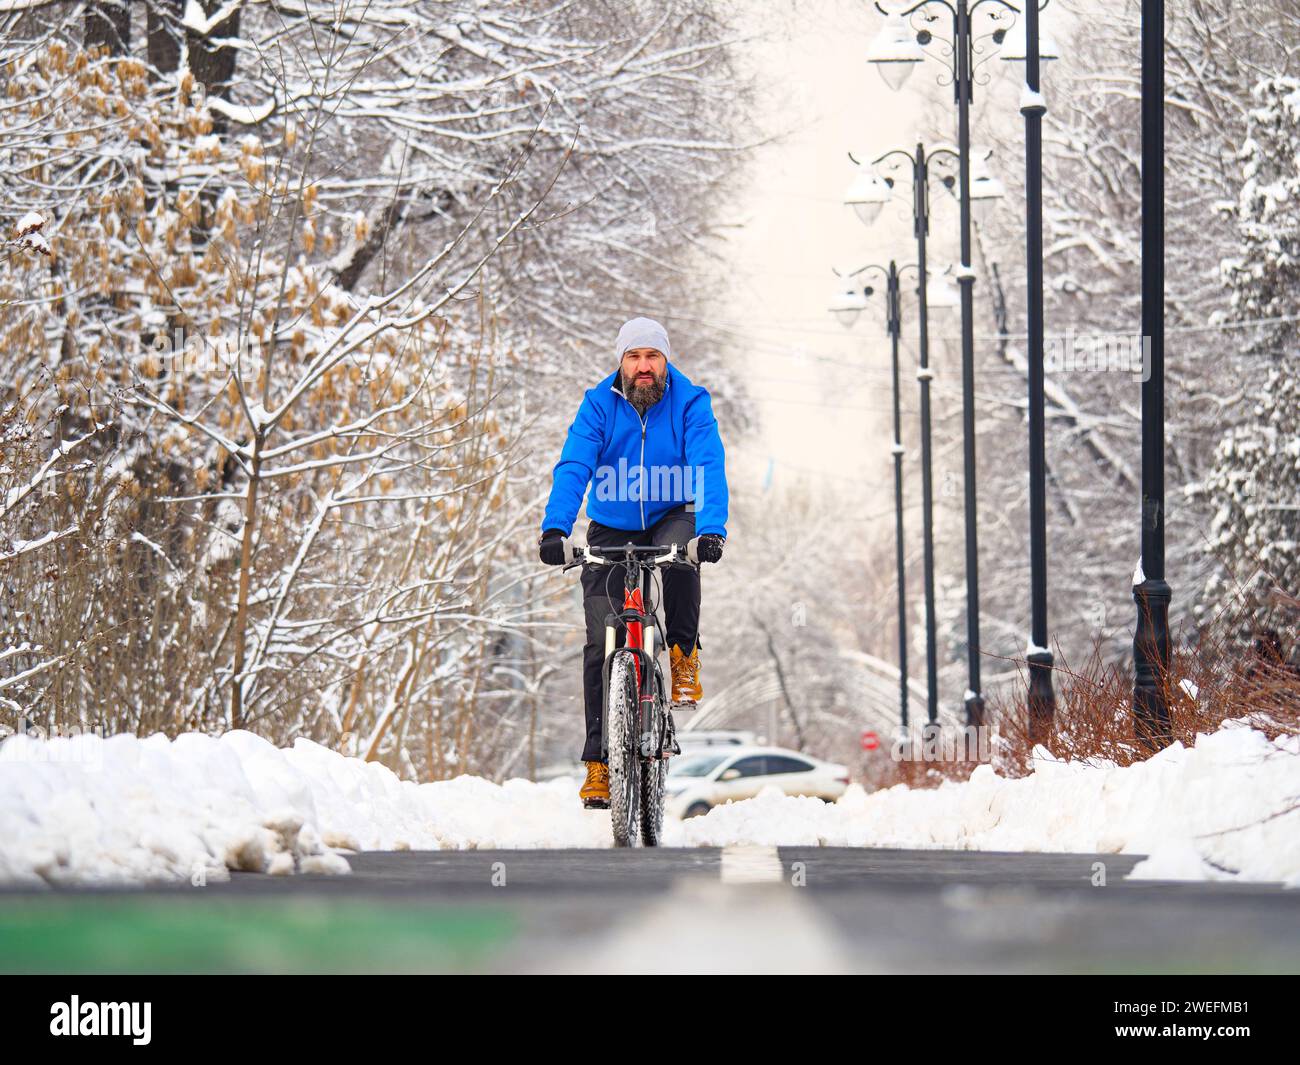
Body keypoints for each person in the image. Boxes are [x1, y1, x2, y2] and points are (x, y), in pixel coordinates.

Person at [537, 317, 728, 807]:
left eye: (653, 357)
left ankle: (684, 655)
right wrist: (556, 528)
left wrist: (710, 529)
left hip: (672, 514)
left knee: (682, 560)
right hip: (611, 524)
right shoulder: (598, 405)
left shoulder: (690, 402)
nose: (644, 367)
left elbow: (707, 463)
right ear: (620, 361)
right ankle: (599, 763)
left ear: (666, 361)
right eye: (634, 357)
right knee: (600, 639)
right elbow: (575, 464)